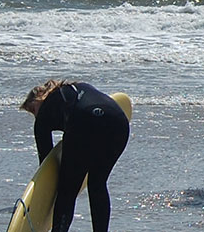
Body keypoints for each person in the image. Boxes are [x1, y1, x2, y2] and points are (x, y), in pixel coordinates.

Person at [20, 79, 129, 232]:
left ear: (39, 97)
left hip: (84, 121)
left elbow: (46, 165)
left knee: (67, 190)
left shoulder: (44, 113)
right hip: (118, 122)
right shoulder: (80, 87)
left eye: (33, 109)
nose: (35, 115)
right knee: (97, 183)